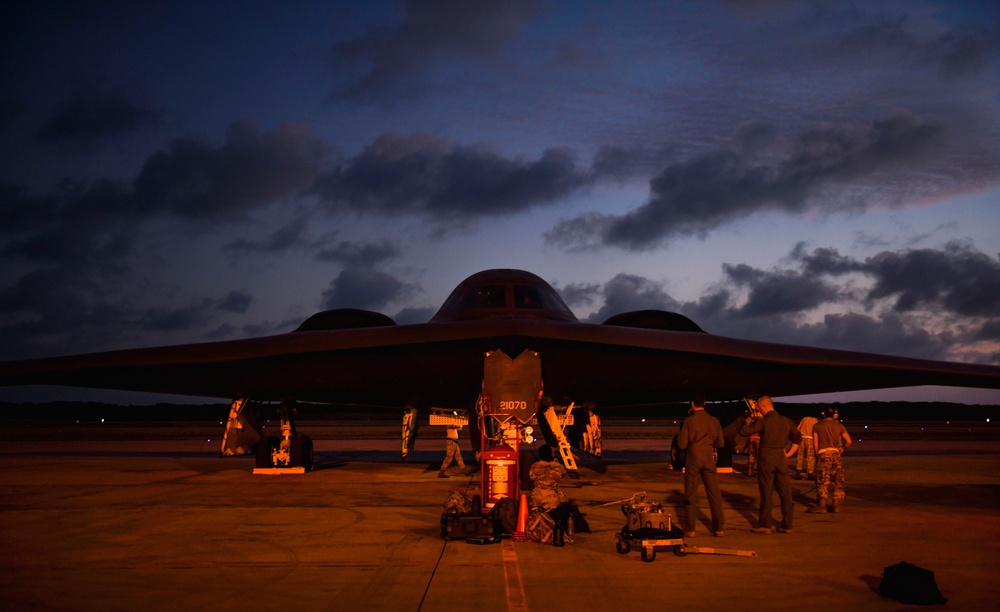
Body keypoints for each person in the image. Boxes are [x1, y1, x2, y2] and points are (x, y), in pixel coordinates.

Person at [739, 396, 801, 534]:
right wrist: (788, 453)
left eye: (759, 408)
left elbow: (744, 432)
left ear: (764, 407)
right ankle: (787, 525)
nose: (759, 411)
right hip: (781, 458)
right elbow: (798, 438)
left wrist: (748, 420)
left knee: (766, 492)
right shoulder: (786, 421)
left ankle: (765, 525)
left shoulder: (764, 422)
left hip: (766, 459)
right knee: (785, 493)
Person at [676, 394, 726, 538]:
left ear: (692, 404)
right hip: (708, 458)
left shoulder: (689, 421)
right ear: (705, 403)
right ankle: (719, 528)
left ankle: (690, 528)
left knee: (691, 493)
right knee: (714, 494)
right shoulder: (714, 421)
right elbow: (721, 443)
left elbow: (682, 444)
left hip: (693, 458)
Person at [808, 407, 852, 513]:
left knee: (822, 480)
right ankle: (835, 505)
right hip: (835, 454)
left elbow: (815, 444)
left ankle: (822, 505)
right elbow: (849, 441)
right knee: (837, 480)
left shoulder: (817, 426)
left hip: (823, 454)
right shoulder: (839, 426)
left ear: (823, 415)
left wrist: (817, 455)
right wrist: (842, 448)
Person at [795, 414, 819, 479]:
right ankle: (810, 473)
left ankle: (798, 472)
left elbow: (797, 429)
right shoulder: (816, 421)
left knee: (800, 455)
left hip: (801, 438)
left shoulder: (804, 419)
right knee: (810, 456)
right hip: (810, 439)